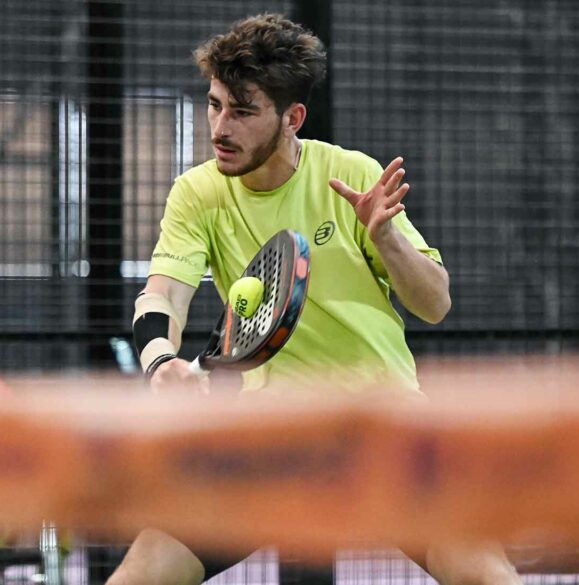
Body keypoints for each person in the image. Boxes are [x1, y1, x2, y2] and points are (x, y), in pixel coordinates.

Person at [113, 13, 522, 585]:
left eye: (242, 110)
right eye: (214, 104)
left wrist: (386, 241)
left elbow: (435, 304)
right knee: (140, 574)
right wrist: (160, 362)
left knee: (484, 573)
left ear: (291, 118)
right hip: (269, 444)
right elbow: (163, 296)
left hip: (385, 431)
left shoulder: (352, 175)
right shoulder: (198, 192)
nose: (219, 127)